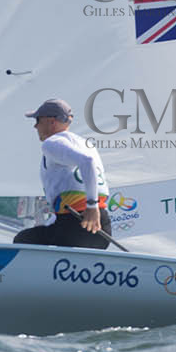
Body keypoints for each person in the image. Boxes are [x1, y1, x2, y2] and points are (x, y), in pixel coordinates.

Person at [14, 98, 110, 250]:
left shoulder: (52, 143)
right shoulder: (86, 144)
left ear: (51, 122)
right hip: (102, 226)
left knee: (23, 239)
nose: (35, 126)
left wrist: (91, 207)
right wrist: (94, 209)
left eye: (38, 120)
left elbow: (87, 162)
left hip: (79, 223)